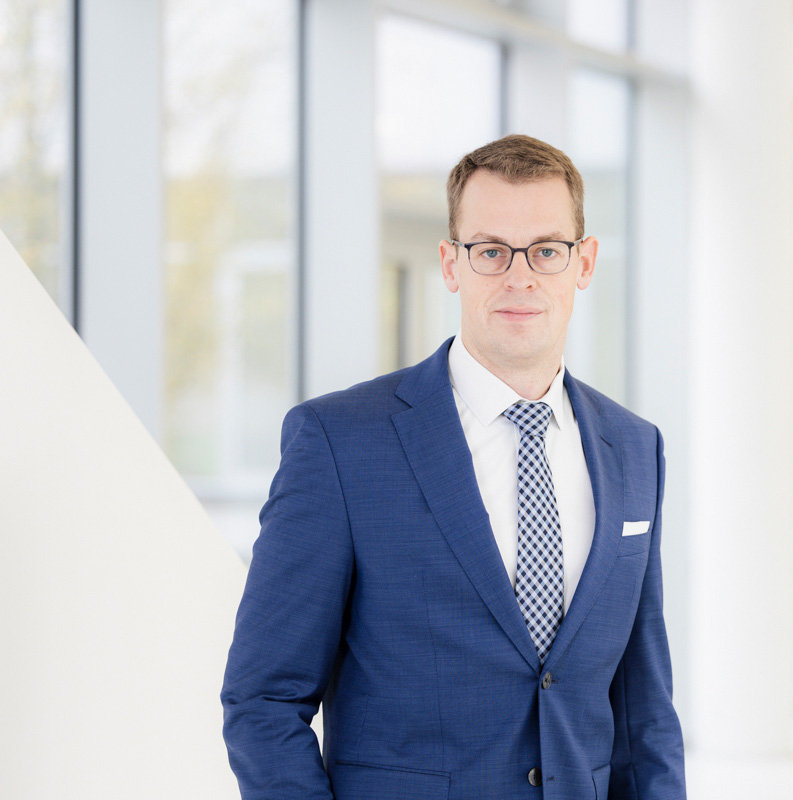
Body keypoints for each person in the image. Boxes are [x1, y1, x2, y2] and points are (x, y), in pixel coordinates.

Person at [220, 134, 686, 800]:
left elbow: (646, 715)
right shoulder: (341, 443)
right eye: (490, 251)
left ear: (583, 263)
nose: (519, 277)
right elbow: (264, 699)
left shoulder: (635, 449)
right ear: (450, 263)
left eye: (547, 251)